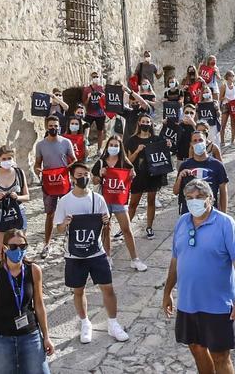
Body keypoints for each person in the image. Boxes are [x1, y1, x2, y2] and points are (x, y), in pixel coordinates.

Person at [162, 179, 235, 374]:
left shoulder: (226, 224)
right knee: (196, 348)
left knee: (220, 355)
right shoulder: (182, 222)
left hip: (217, 304)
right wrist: (167, 291)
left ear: (210, 198)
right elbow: (176, 259)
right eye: (190, 198)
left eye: (199, 197)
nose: (194, 201)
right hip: (188, 301)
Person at [54, 162, 130, 344]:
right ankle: (85, 322)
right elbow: (59, 229)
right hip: (74, 254)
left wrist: (106, 220)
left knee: (108, 288)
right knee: (78, 290)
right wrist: (65, 223)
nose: (83, 178)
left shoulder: (98, 199)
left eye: (86, 174)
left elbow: (105, 224)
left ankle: (113, 323)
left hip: (96, 252)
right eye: (79, 174)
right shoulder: (65, 201)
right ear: (72, 178)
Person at [0, 229, 54, 374]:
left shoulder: (34, 270)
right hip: (1, 339)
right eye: (13, 247)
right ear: (5, 247)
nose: (18, 250)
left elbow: (39, 305)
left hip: (30, 336)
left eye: (22, 246)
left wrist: (46, 337)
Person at [92, 135, 150, 272]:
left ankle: (135, 259)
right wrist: (100, 174)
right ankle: (107, 256)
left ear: (120, 147)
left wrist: (132, 175)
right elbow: (94, 181)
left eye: (116, 145)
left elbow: (130, 176)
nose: (113, 147)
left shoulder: (125, 162)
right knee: (106, 228)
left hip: (119, 200)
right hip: (104, 199)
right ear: (107, 147)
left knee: (127, 229)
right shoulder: (101, 162)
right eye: (111, 145)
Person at [34, 116, 78, 258]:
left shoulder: (66, 142)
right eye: (51, 126)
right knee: (50, 214)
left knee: (70, 212)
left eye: (56, 125)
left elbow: (74, 160)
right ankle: (47, 244)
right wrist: (37, 170)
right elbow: (37, 163)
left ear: (59, 126)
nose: (54, 128)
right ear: (47, 127)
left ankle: (72, 242)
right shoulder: (40, 145)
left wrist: (67, 169)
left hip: (64, 182)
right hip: (49, 183)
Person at [126, 114, 168, 238]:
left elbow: (163, 154)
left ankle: (149, 227)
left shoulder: (156, 139)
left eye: (148, 122)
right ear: (139, 123)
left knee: (151, 201)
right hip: (138, 175)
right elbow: (129, 160)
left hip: (152, 175)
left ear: (151, 124)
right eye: (143, 121)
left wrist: (168, 145)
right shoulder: (132, 140)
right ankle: (125, 227)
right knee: (133, 203)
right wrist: (137, 151)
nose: (145, 123)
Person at [0, 147, 30, 258]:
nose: (7, 161)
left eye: (9, 158)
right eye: (4, 158)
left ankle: (21, 272)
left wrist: (17, 197)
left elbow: (27, 196)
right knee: (2, 250)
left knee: (20, 248)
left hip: (17, 213)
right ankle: (3, 273)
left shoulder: (19, 172)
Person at [176, 131, 230, 212]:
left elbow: (223, 192)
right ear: (191, 144)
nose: (198, 143)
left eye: (200, 140)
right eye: (195, 141)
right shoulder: (185, 165)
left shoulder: (217, 165)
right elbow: (175, 191)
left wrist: (224, 214)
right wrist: (180, 177)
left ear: (206, 142)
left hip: (210, 212)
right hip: (188, 212)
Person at [83, 72, 109, 150]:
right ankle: (84, 146)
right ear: (91, 78)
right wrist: (88, 97)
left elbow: (106, 101)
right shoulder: (87, 89)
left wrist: (103, 96)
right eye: (94, 77)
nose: (96, 78)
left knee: (100, 132)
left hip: (100, 114)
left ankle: (99, 150)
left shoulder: (101, 88)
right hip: (90, 113)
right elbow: (85, 103)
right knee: (85, 129)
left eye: (97, 76)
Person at [220, 70, 235, 145]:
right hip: (225, 105)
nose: (233, 77)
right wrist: (226, 99)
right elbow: (220, 98)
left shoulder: (234, 86)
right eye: (232, 76)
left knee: (233, 124)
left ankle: (232, 141)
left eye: (234, 76)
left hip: (233, 105)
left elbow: (234, 96)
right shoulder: (224, 86)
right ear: (228, 77)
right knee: (223, 124)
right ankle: (222, 141)